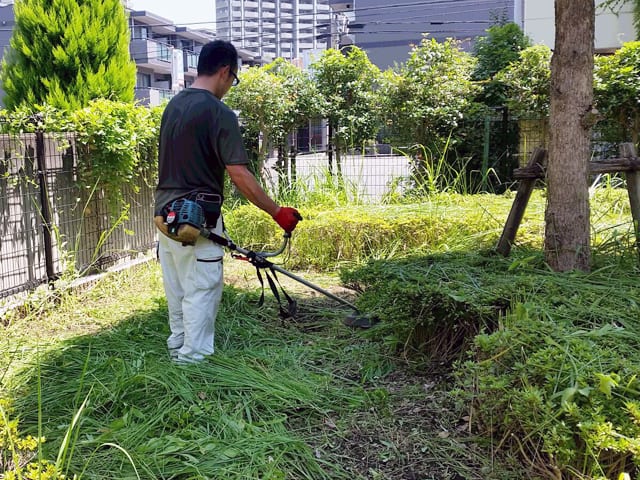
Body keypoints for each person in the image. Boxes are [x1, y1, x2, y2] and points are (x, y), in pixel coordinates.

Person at [154, 40, 301, 364]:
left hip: (166, 218)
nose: (230, 87)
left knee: (178, 288)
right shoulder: (218, 112)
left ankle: (178, 346)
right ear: (225, 72)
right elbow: (239, 174)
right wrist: (277, 212)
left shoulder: (173, 106)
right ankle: (193, 363)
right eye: (233, 80)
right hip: (197, 220)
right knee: (202, 289)